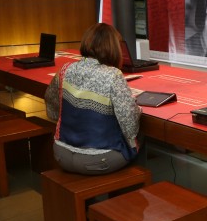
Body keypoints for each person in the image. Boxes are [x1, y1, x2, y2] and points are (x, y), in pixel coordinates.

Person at [44, 23, 140, 175]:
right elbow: (130, 127)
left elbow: (51, 107)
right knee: (137, 142)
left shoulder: (65, 69)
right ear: (114, 48)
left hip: (61, 155)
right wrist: (137, 109)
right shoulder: (113, 75)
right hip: (99, 160)